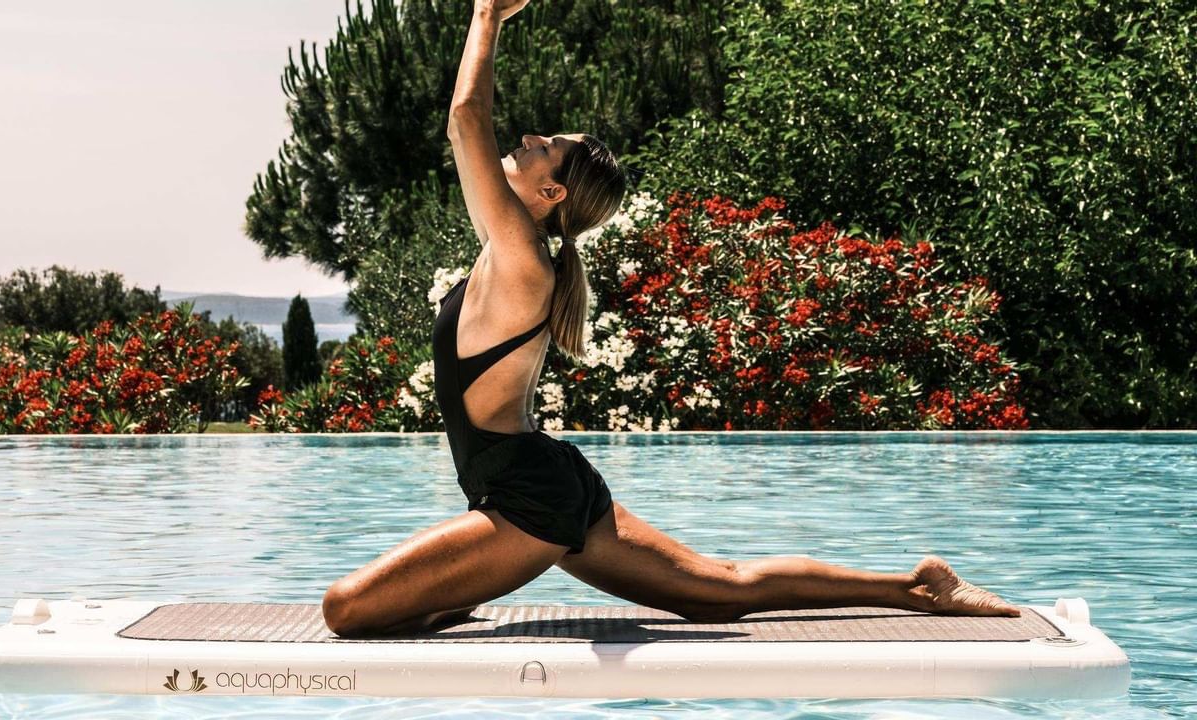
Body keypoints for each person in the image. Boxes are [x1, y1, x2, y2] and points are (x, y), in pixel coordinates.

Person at [321, 0, 1020, 636]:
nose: (529, 137)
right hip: (538, 482)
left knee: (346, 610)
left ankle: (460, 586)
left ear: (550, 190)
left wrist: (487, 16)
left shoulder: (525, 259)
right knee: (718, 592)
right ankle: (917, 586)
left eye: (544, 148)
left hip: (525, 503)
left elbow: (464, 118)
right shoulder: (516, 252)